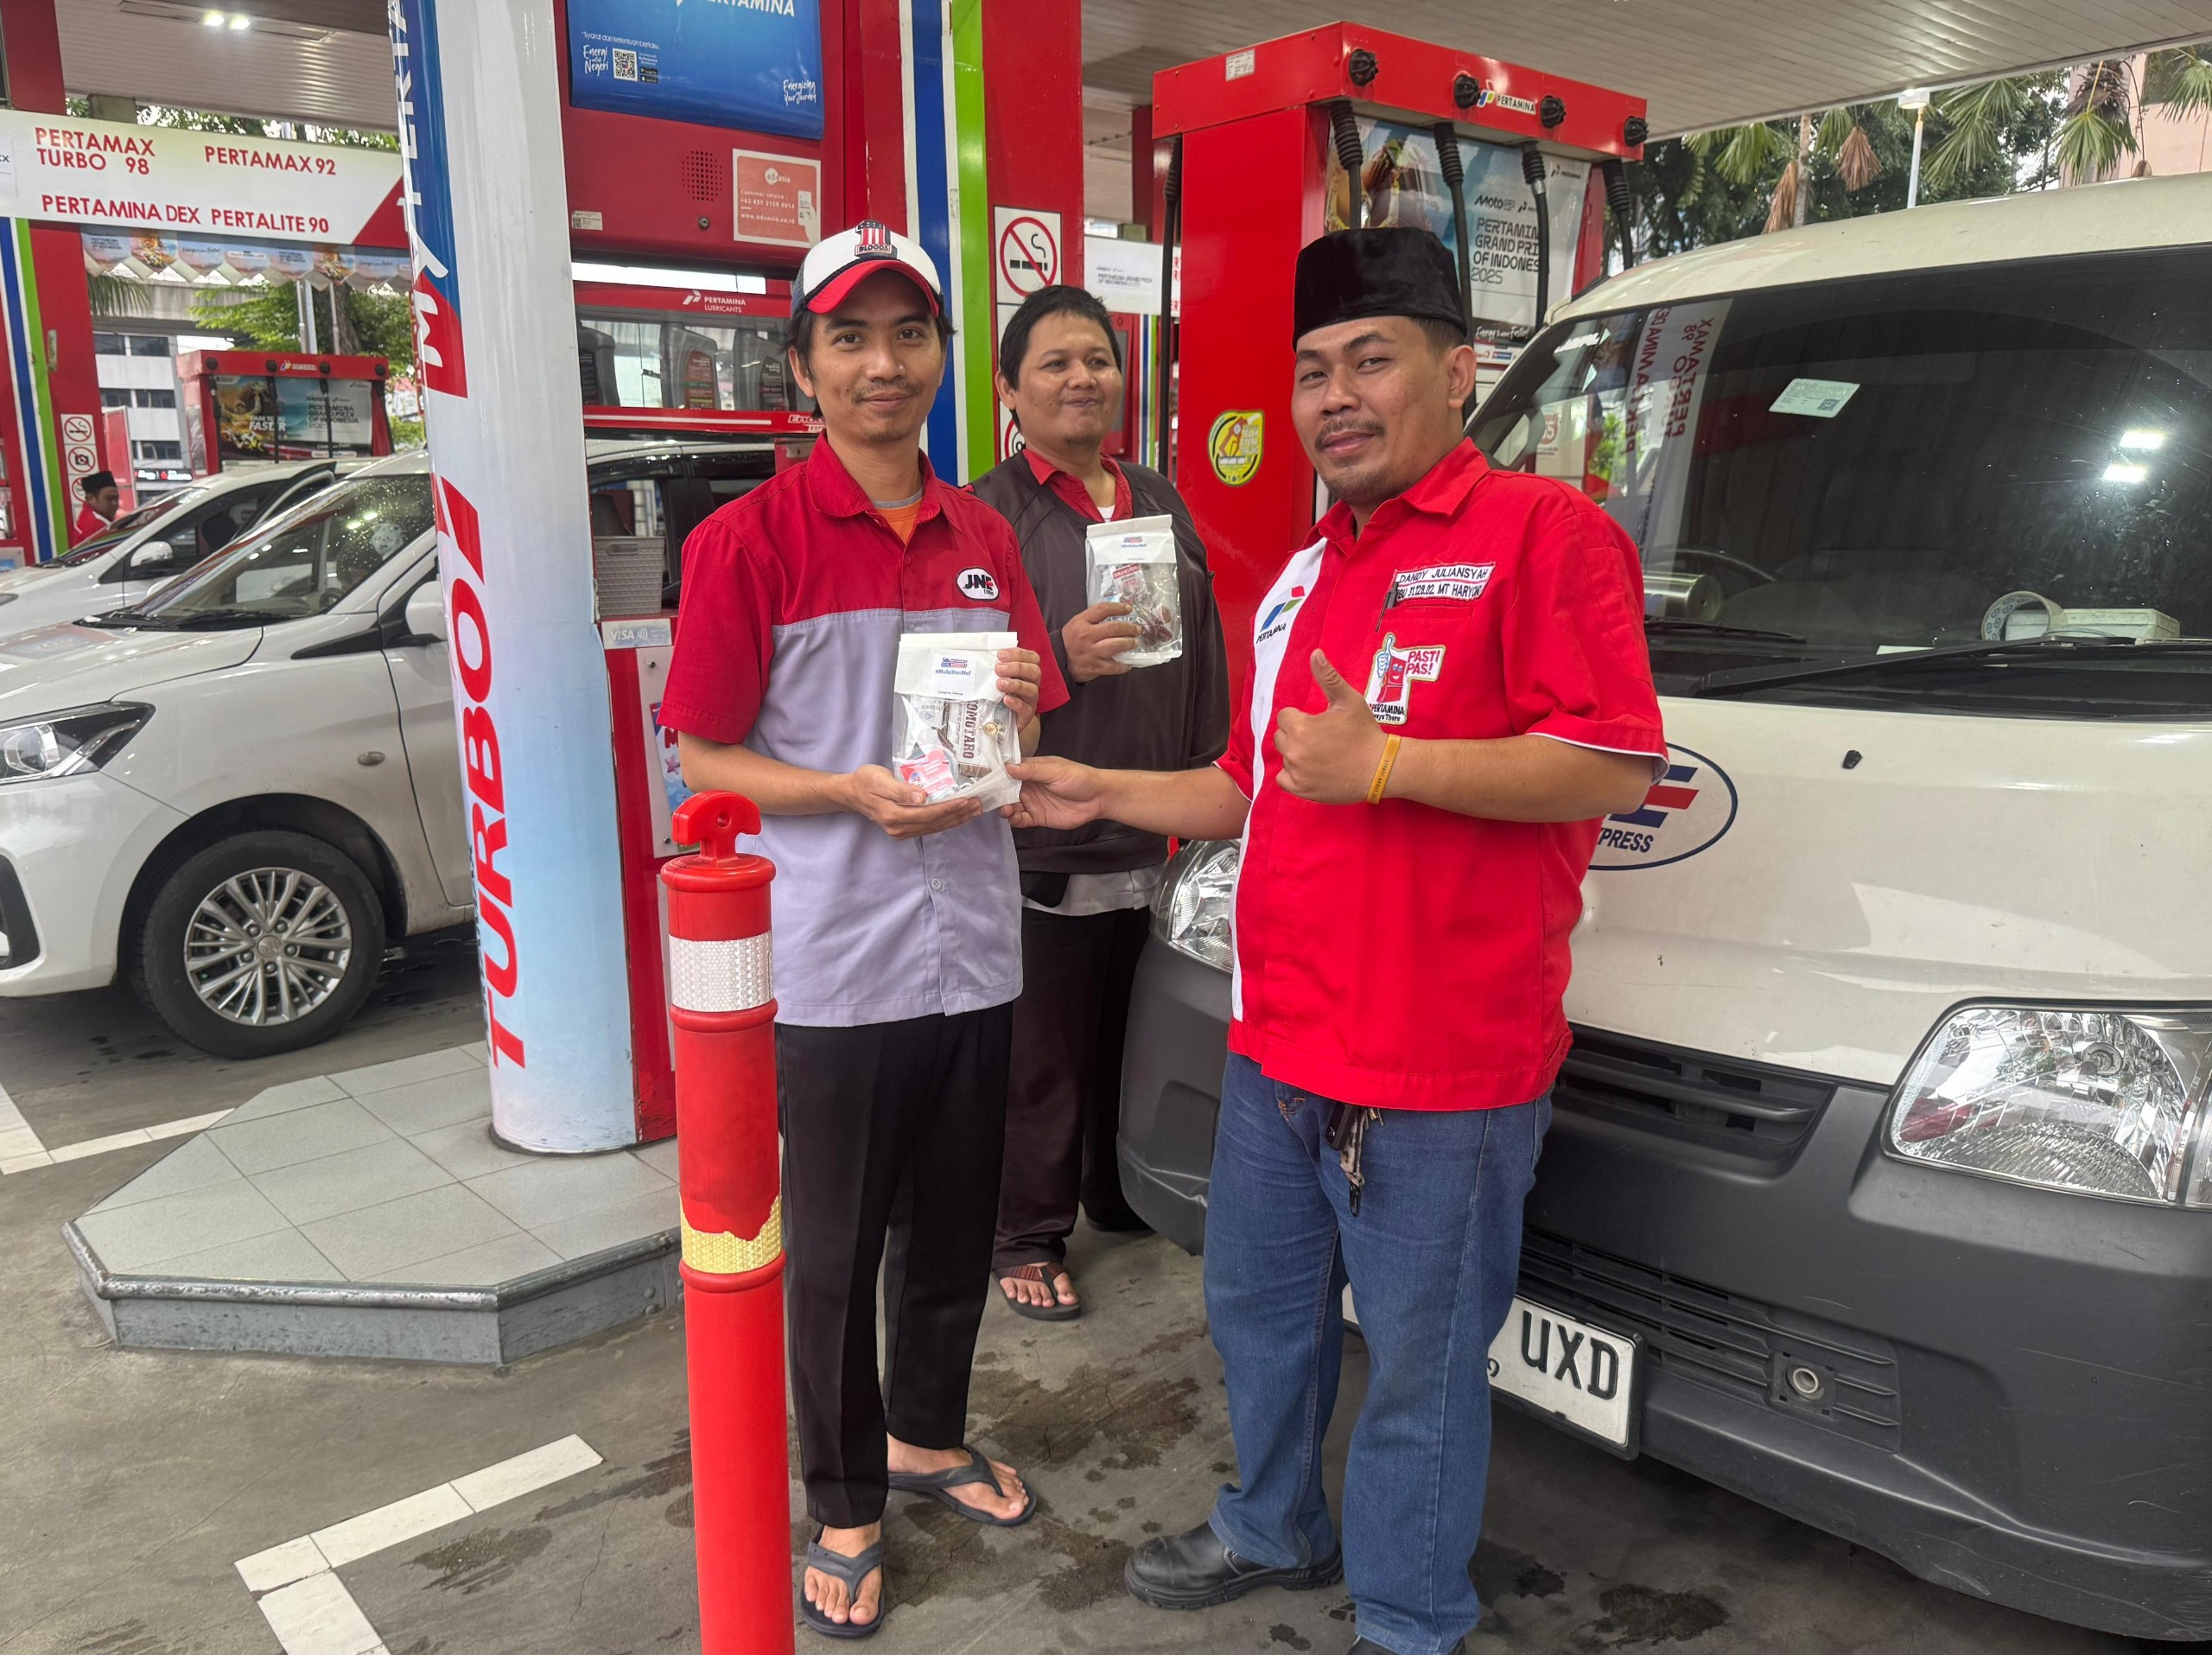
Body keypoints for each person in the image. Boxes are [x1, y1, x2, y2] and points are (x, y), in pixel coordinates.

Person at [1009, 227, 1665, 1655]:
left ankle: (1413, 1616)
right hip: (1280, 1042)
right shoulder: (1306, 573)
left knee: (1421, 1363)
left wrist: (1393, 766)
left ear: (1459, 370)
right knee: (1258, 1312)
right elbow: (1248, 786)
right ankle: (1272, 1522)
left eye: (1372, 360)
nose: (1336, 397)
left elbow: (1613, 764)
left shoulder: (1545, 535)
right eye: (1313, 371)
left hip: (1442, 1066)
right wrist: (1096, 787)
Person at [658, 220, 1069, 1640]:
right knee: (833, 1253)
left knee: (954, 1222)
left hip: (976, 942)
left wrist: (1022, 708)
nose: (882, 364)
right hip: (836, 959)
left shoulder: (986, 537)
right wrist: (841, 787)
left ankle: (926, 1434)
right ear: (803, 366)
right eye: (850, 338)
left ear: (942, 358)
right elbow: (704, 754)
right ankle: (842, 1497)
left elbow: (1025, 726)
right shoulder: (746, 543)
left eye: (908, 334)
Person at [970, 285, 1230, 1321]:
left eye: (1098, 359)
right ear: (1009, 389)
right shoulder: (985, 516)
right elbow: (953, 700)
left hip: (1154, 826)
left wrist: (1210, 776)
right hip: (1041, 840)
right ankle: (1024, 1232)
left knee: (1133, 1031)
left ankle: (1113, 1189)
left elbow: (1203, 645)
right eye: (1055, 363)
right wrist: (1057, 663)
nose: (1082, 378)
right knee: (1040, 1054)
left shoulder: (1156, 498)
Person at [72, 470, 119, 545]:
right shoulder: (94, 526)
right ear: (91, 499)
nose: (115, 503)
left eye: (116, 498)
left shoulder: (97, 518)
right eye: (109, 499)